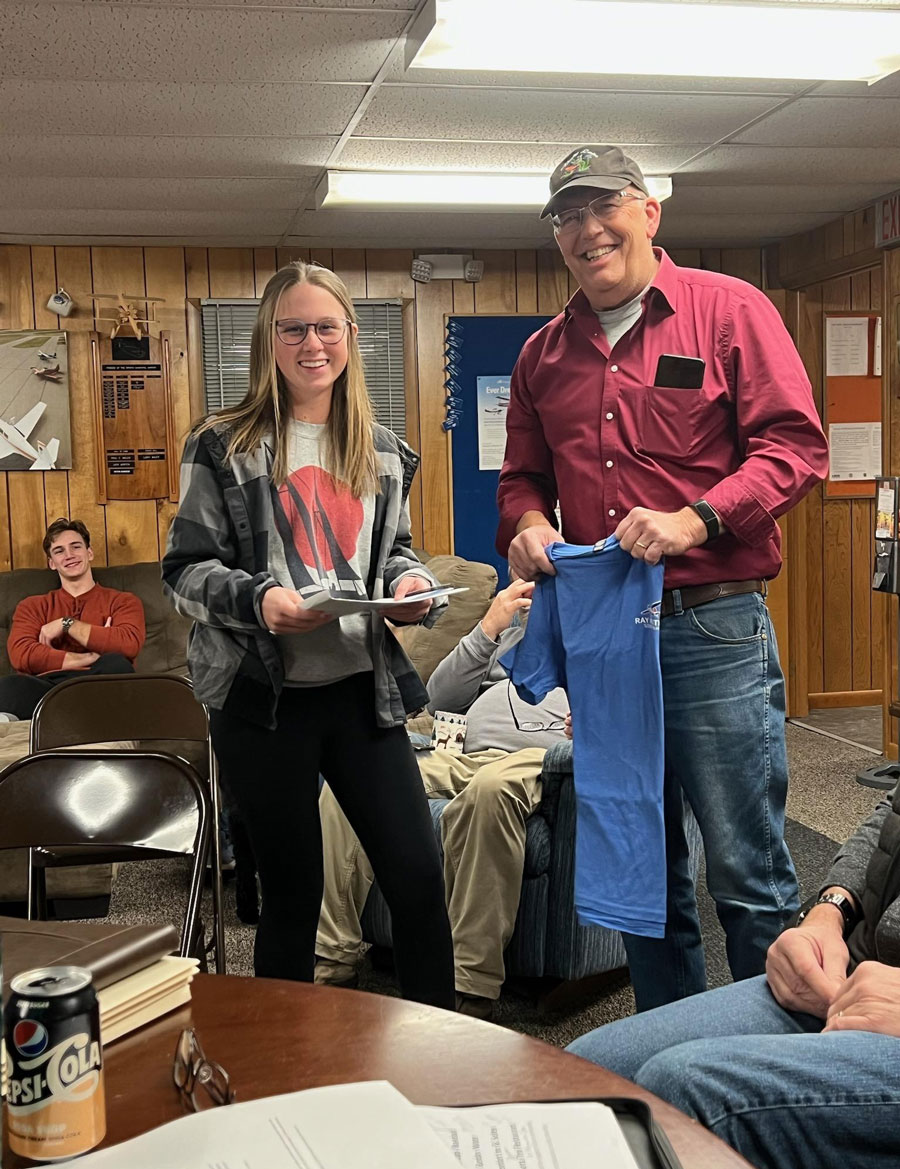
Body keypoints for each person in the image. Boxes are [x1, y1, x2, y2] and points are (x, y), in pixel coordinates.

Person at [497, 144, 829, 1010]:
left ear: (649, 212)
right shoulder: (543, 355)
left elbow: (796, 449)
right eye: (567, 216)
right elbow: (522, 478)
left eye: (603, 206)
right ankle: (669, 1054)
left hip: (713, 627)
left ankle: (773, 1064)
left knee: (747, 870)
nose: (586, 229)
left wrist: (696, 518)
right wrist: (528, 527)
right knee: (638, 868)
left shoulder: (730, 311)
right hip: (606, 638)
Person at [162, 260, 455, 1009]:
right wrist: (260, 600)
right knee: (293, 894)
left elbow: (393, 552)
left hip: (362, 693)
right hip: (262, 701)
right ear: (269, 338)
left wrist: (410, 585)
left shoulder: (381, 449)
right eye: (292, 329)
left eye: (325, 327)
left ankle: (445, 1057)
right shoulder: (222, 444)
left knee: (419, 881)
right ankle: (284, 1065)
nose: (311, 344)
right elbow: (185, 571)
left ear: (350, 336)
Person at [566, 788, 900, 1169]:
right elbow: (891, 807)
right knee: (581, 1075)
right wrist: (830, 909)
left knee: (686, 1091)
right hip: (850, 972)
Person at [315, 577, 569, 1019]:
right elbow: (437, 700)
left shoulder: (600, 632)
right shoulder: (508, 632)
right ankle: (329, 960)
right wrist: (489, 628)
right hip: (464, 752)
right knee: (354, 782)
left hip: (539, 758)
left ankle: (468, 986)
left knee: (489, 791)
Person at [0, 517, 144, 718]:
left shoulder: (123, 601)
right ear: (52, 563)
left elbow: (128, 644)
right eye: (59, 551)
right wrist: (90, 655)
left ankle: (65, 718)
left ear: (89, 553)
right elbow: (22, 655)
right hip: (47, 687)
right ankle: (78, 716)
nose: (69, 555)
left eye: (76, 547)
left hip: (99, 680)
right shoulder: (32, 606)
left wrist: (67, 624)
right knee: (7, 687)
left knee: (117, 664)